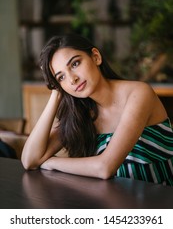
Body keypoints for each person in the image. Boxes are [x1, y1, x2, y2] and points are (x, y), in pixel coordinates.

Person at [21, 34, 173, 186]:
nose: (72, 79)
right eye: (61, 77)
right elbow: (29, 160)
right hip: (114, 202)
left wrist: (52, 162)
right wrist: (56, 93)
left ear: (96, 57)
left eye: (75, 64)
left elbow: (105, 168)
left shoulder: (139, 93)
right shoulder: (81, 113)